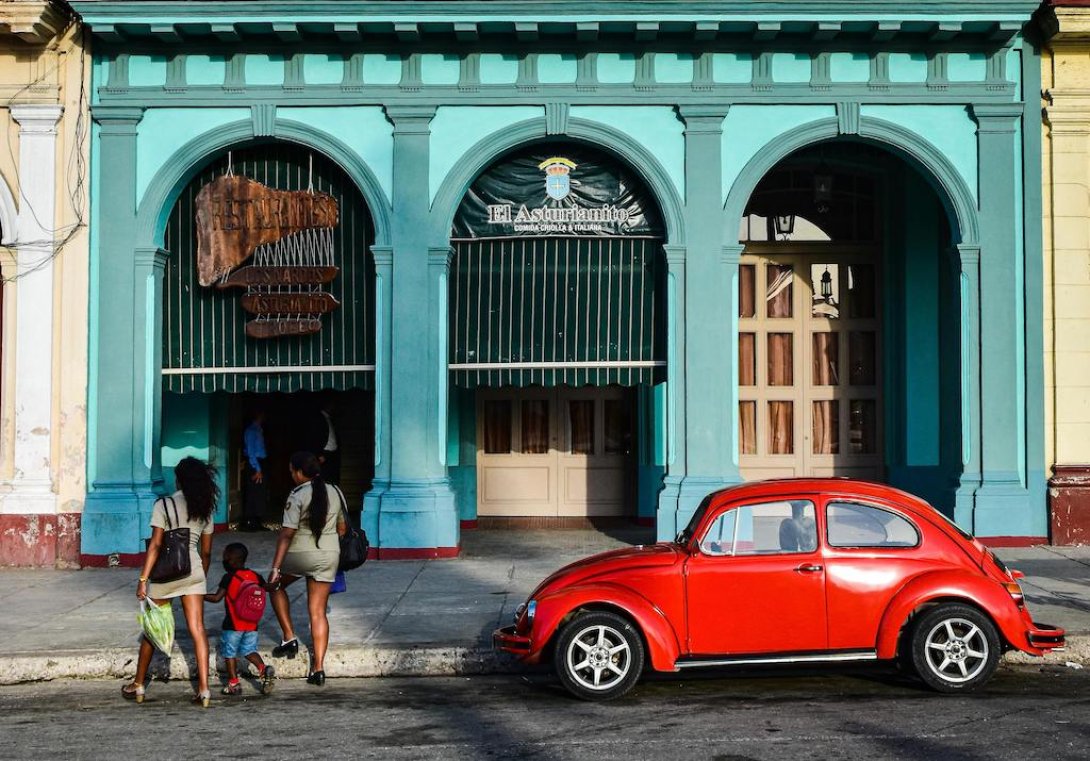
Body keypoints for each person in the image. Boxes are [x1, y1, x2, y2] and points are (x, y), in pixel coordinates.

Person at [122, 457, 219, 707]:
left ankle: (139, 684)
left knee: (152, 630)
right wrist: (200, 576)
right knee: (198, 629)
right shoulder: (205, 507)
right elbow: (207, 552)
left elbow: (156, 545)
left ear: (179, 480)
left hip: (165, 575)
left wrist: (143, 579)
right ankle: (204, 690)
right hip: (193, 571)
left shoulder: (163, 504)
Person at [268, 451, 346, 686]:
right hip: (328, 555)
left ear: (300, 472)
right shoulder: (335, 491)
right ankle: (318, 669)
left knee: (275, 586)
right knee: (318, 612)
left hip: (300, 555)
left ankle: (288, 637)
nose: (292, 475)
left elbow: (286, 534)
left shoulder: (297, 495)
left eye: (292, 471)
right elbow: (342, 529)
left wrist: (276, 568)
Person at [204, 542, 276, 696]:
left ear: (233, 559)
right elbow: (267, 588)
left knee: (229, 653)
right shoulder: (255, 576)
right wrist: (275, 584)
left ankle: (233, 683)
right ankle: (263, 669)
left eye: (226, 557)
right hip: (252, 624)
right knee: (249, 650)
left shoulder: (229, 577)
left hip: (233, 625)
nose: (224, 560)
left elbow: (216, 598)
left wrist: (199, 596)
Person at [242, 410, 268, 531]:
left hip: (259, 462)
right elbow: (251, 451)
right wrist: (257, 469)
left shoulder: (258, 429)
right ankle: (249, 522)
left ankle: (257, 522)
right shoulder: (251, 431)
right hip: (254, 463)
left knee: (259, 493)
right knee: (253, 492)